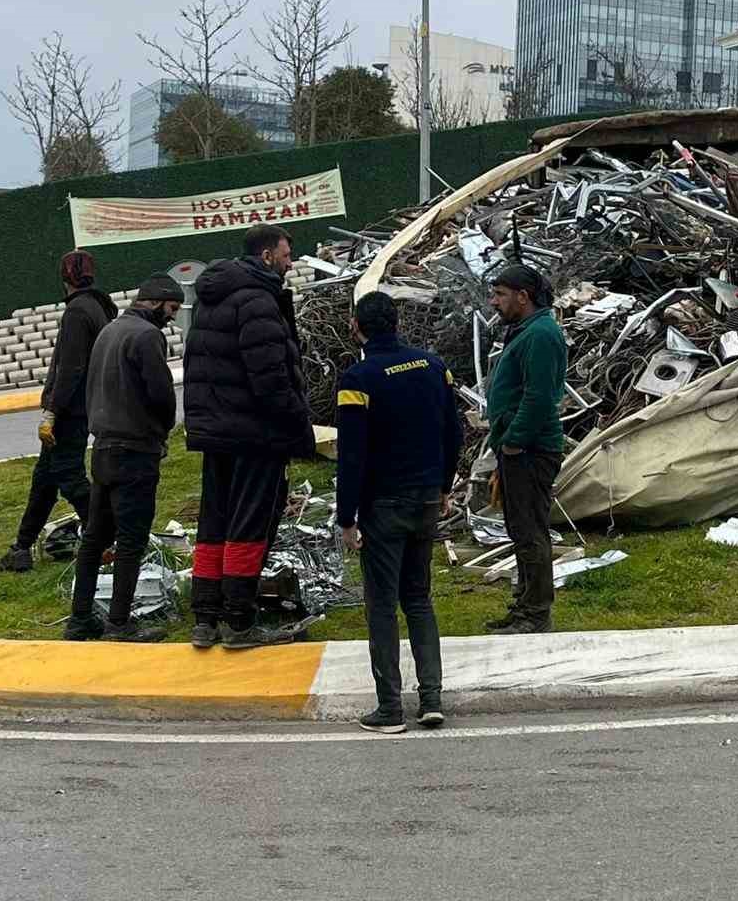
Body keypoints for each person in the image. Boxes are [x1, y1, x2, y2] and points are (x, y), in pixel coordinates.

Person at [184, 224, 315, 650]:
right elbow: (271, 377)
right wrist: (298, 426)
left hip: (217, 431)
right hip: (255, 433)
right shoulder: (257, 300)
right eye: (285, 254)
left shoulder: (211, 299)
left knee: (214, 521)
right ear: (265, 257)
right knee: (249, 523)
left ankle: (205, 617)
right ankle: (240, 621)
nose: (289, 262)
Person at [336, 290, 463, 733]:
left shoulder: (358, 378)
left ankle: (390, 708)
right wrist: (444, 485)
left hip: (383, 505)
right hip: (427, 497)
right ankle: (431, 700)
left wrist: (346, 518)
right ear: (397, 323)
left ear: (357, 327)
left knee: (382, 606)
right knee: (419, 599)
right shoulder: (434, 367)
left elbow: (352, 454)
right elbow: (454, 431)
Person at [65, 275, 184, 642]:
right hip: (135, 450)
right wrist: (162, 432)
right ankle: (119, 623)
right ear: (158, 302)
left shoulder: (110, 331)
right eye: (172, 309)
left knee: (95, 538)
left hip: (102, 449)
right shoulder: (147, 337)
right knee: (131, 539)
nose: (172, 317)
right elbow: (162, 397)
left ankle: (79, 619)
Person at [0, 250, 116, 572]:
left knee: (68, 476)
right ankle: (21, 548)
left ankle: (110, 537)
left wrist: (52, 411)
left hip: (71, 411)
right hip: (85, 406)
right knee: (45, 480)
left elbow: (71, 368)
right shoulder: (99, 308)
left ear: (64, 278)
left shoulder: (78, 312)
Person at [483, 263, 567, 635]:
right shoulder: (526, 331)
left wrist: (515, 440)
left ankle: (536, 613)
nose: (494, 302)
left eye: (500, 295)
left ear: (523, 296)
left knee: (531, 531)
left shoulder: (542, 334)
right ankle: (524, 605)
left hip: (531, 450)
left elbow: (540, 397)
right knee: (520, 529)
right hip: (517, 448)